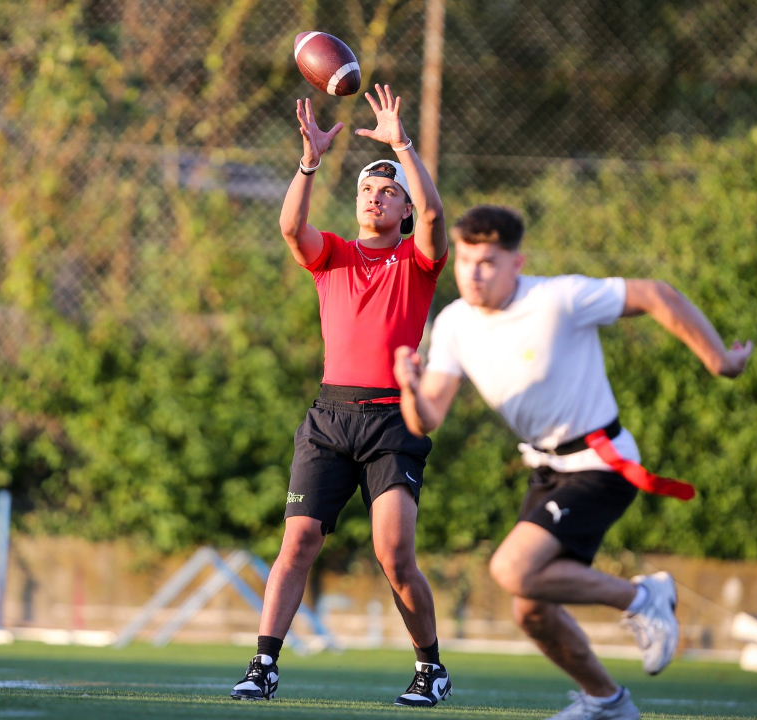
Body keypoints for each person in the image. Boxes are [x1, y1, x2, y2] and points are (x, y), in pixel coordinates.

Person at [393, 205, 753, 720]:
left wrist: (719, 358)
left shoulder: (557, 298)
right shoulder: (454, 324)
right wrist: (409, 385)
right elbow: (426, 418)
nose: (473, 273)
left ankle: (644, 596)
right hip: (549, 470)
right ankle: (608, 701)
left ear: (517, 262)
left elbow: (657, 294)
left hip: (602, 461)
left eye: (488, 261)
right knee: (531, 611)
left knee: (511, 569)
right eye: (466, 259)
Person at [229, 85, 452, 707]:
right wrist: (310, 162)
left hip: (391, 420)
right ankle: (264, 664)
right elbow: (289, 226)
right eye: (366, 190)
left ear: (403, 209)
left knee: (394, 553)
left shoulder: (417, 259)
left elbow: (436, 219)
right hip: (330, 416)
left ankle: (429, 667)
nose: (375, 198)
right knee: (297, 541)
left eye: (388, 192)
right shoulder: (332, 254)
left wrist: (400, 145)